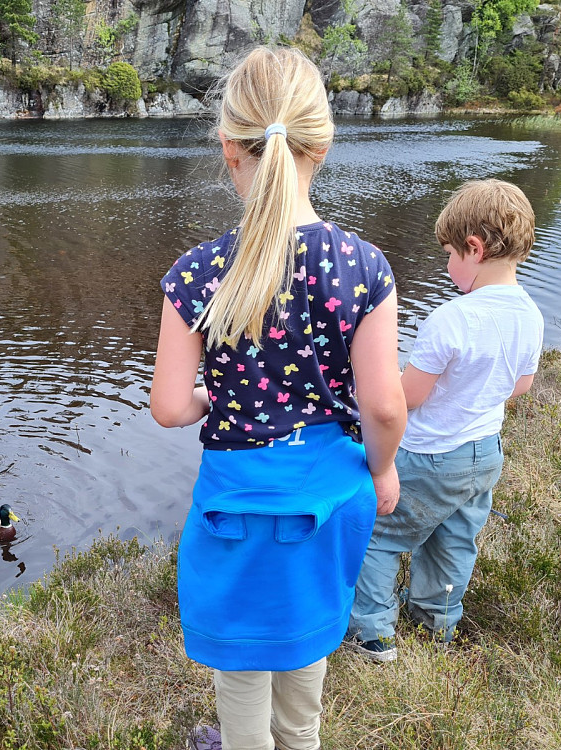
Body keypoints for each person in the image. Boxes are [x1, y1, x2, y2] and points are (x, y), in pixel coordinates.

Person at [150, 46, 407, 750]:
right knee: (305, 646)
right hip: (328, 498)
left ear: (228, 150)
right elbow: (384, 408)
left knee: (242, 667)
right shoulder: (363, 266)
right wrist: (383, 470)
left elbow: (170, 407)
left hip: (237, 503)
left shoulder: (195, 272)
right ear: (320, 146)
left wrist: (209, 398)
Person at [346, 179, 544, 663]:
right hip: (484, 455)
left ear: (474, 249)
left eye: (450, 253)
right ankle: (438, 624)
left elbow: (408, 396)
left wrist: (372, 382)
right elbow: (520, 386)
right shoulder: (531, 314)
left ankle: (374, 635)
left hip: (430, 456)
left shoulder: (453, 318)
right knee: (455, 538)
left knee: (378, 535)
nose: (448, 264)